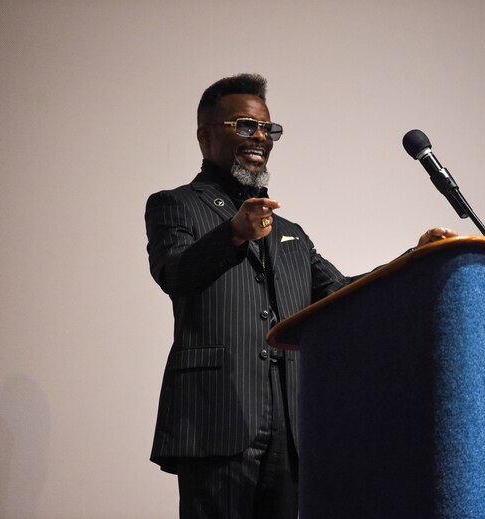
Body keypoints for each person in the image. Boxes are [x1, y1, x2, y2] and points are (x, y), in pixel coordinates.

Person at [144, 73, 456, 518]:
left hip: (291, 431)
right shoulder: (174, 205)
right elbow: (174, 272)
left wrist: (416, 259)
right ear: (204, 136)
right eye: (245, 126)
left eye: (268, 129)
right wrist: (233, 233)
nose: (261, 139)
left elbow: (344, 295)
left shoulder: (290, 234)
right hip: (218, 419)